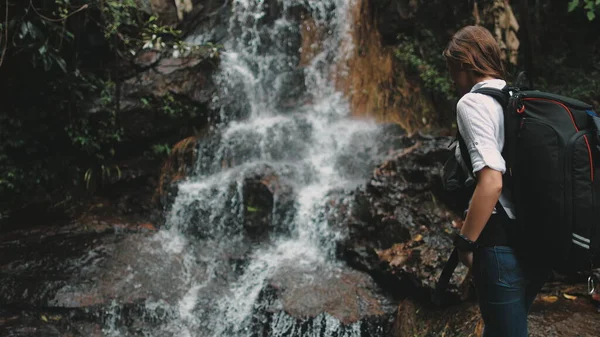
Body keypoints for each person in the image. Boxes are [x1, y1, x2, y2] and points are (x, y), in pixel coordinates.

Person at [443, 25, 550, 337]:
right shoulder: (520, 100)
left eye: (451, 69)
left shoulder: (472, 104)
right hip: (537, 243)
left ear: (464, 64)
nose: (451, 78)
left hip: (500, 247)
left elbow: (491, 182)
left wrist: (465, 243)